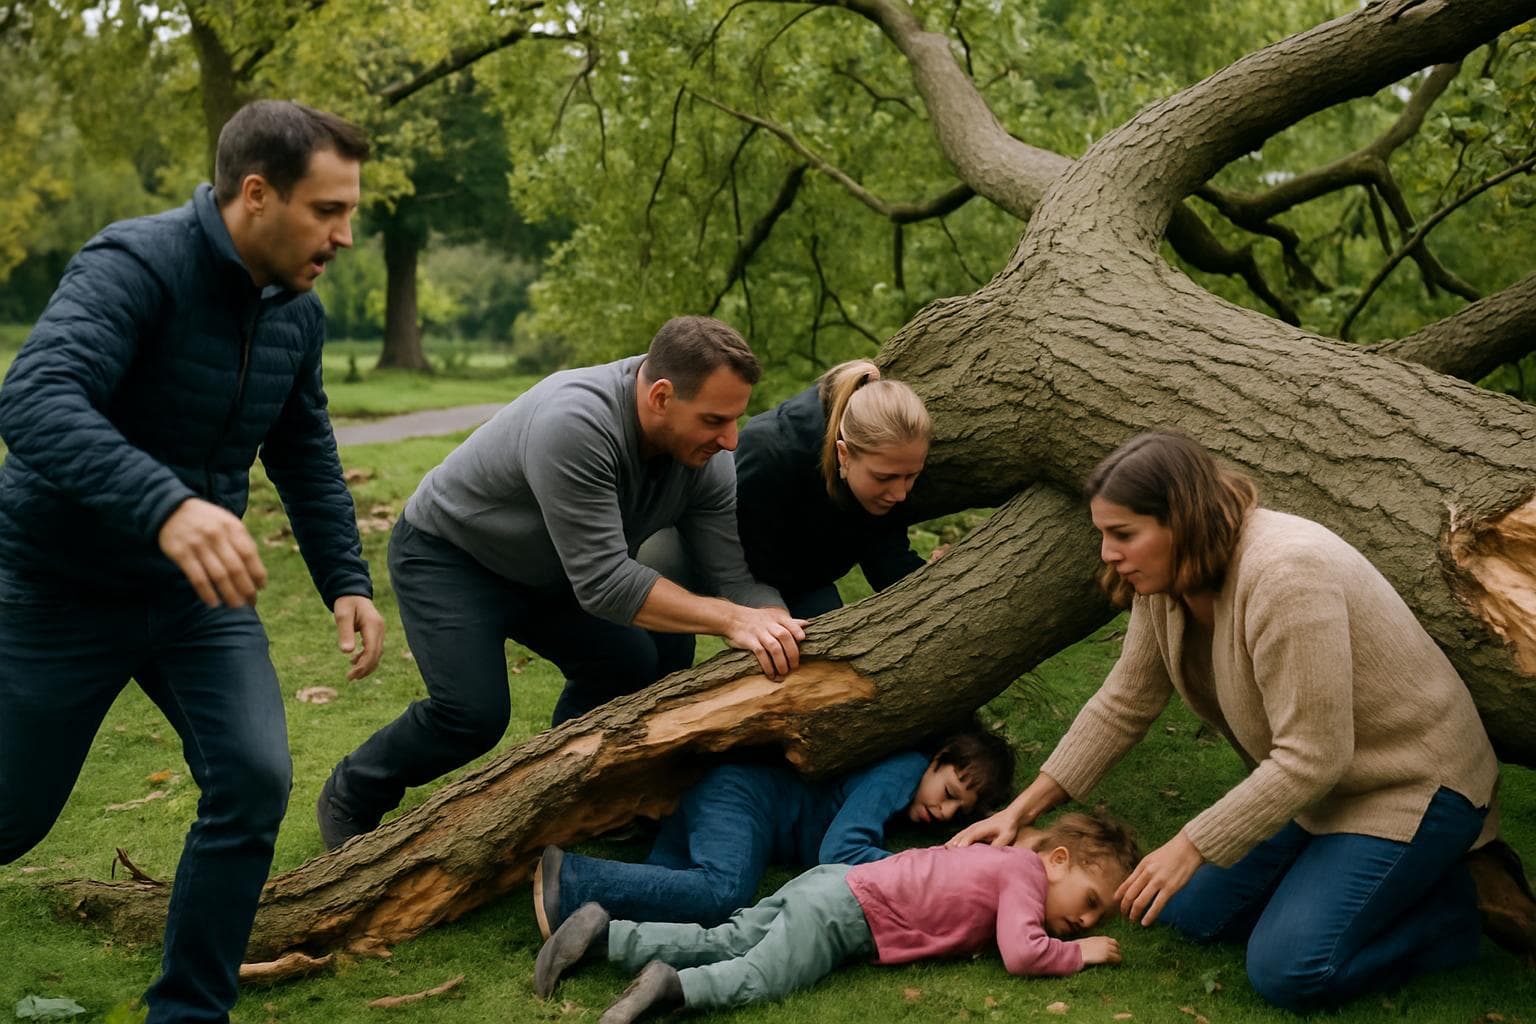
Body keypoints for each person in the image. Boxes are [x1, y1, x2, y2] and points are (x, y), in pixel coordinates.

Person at [0, 100, 385, 1024]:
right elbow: (35, 398)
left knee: (253, 778)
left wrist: (345, 579)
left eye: (349, 211)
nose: (344, 233)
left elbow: (304, 447)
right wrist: (165, 504)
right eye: (328, 210)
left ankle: (188, 1012)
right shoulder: (134, 263)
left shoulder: (297, 313)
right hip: (61, 588)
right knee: (10, 817)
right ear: (257, 193)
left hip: (193, 597)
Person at [952, 431, 1534, 1010]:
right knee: (1187, 913)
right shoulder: (1166, 578)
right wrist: (1018, 812)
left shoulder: (1286, 575)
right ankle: (1350, 877)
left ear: (1180, 521)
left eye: (1123, 535)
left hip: (1413, 785)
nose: (1107, 553)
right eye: (1104, 534)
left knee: (1288, 968)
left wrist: (1192, 843)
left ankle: (1454, 909)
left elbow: (1314, 755)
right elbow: (1123, 703)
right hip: (1317, 792)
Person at [317, 316, 807, 849]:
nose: (732, 440)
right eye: (715, 419)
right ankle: (351, 793)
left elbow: (730, 575)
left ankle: (563, 790)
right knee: (472, 715)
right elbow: (604, 583)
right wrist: (735, 620)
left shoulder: (706, 458)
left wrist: (775, 623)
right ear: (661, 397)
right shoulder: (575, 420)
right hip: (451, 557)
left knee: (625, 663)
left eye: (736, 419)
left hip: (552, 571)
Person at [534, 811, 1139, 1023]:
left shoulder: (1001, 862)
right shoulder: (1025, 876)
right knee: (760, 974)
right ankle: (674, 988)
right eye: (1090, 901)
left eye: (1096, 918)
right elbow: (1023, 951)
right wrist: (1075, 954)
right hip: (848, 914)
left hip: (835, 883)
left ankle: (606, 934)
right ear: (1057, 861)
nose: (1087, 920)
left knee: (725, 935)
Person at [533, 728, 1016, 935]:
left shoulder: (908, 791)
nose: (943, 809)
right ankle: (570, 878)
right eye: (949, 790)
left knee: (672, 914)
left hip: (725, 806)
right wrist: (918, 868)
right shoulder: (904, 770)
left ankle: (580, 924)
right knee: (724, 892)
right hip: (742, 800)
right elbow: (842, 848)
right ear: (938, 759)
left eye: (958, 812)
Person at [733, 359, 931, 618]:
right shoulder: (771, 455)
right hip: (708, 554)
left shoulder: (893, 461)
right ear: (844, 454)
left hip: (801, 580)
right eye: (884, 478)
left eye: (911, 476)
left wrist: (936, 579)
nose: (900, 494)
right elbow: (736, 564)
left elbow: (886, 556)